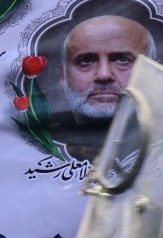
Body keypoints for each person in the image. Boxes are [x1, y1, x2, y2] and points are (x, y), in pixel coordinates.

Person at [50, 13, 155, 161]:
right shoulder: (34, 141)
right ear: (63, 75)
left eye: (122, 60)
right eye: (86, 61)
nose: (104, 75)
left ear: (154, 72)